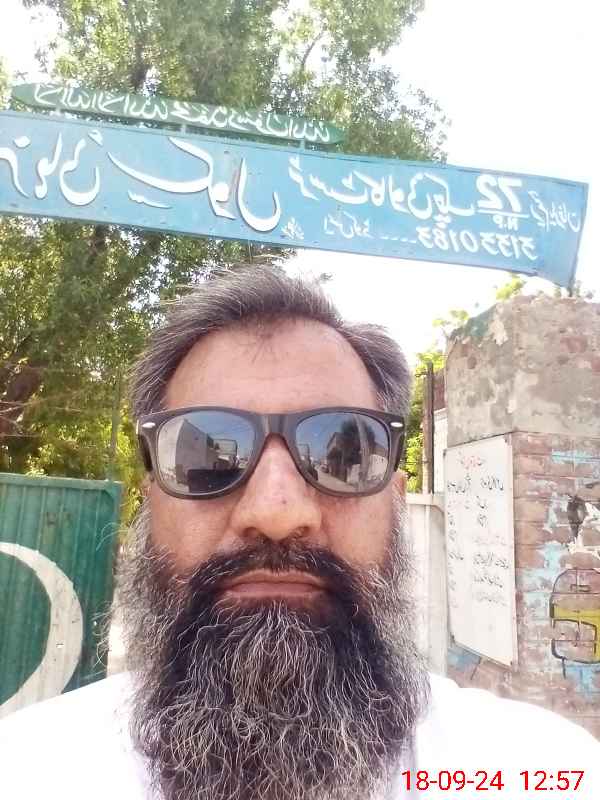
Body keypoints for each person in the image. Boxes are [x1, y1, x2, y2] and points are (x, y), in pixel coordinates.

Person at [1, 266, 599, 800]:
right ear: (150, 496)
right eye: (203, 455)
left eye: (345, 452)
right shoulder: (27, 771)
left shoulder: (542, 770)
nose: (277, 512)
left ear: (395, 499)